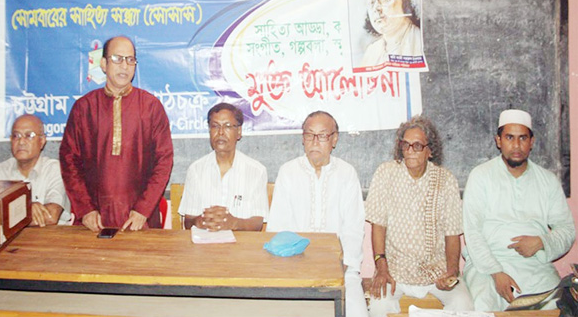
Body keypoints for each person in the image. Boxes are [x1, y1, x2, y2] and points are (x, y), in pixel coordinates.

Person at [463, 109, 575, 311]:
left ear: (531, 142)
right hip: (487, 267)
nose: (516, 146)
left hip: (535, 267)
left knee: (558, 308)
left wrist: (542, 242)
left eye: (523, 138)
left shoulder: (547, 181)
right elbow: (472, 232)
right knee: (483, 305)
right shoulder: (481, 176)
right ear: (499, 141)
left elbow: (567, 230)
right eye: (509, 138)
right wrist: (496, 272)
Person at [60, 35, 173, 232]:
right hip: (94, 222)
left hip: (138, 221)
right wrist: (85, 209)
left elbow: (163, 161)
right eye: (117, 59)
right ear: (103, 64)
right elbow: (69, 161)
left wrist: (143, 210)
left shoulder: (151, 107)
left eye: (130, 60)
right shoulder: (84, 108)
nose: (125, 66)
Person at [364, 116, 473, 317]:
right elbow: (378, 225)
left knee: (463, 304)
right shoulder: (386, 173)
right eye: (405, 145)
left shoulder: (446, 180)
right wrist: (381, 267)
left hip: (435, 273)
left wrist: (451, 271)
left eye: (417, 146)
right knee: (378, 306)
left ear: (430, 150)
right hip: (395, 271)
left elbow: (452, 234)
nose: (410, 151)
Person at [267, 111, 368, 317]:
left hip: (341, 269)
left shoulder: (346, 174)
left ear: (334, 139)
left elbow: (353, 229)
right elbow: (278, 228)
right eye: (309, 135)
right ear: (302, 139)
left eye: (322, 136)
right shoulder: (288, 172)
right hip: (295, 268)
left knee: (356, 313)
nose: (315, 142)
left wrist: (341, 268)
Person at [179, 103, 268, 231]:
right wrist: (201, 221)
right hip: (204, 246)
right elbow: (188, 222)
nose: (220, 132)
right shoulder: (196, 170)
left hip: (241, 247)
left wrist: (233, 223)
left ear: (239, 132)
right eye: (215, 126)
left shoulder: (256, 171)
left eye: (227, 126)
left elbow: (258, 223)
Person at [0, 114, 71, 226]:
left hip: (50, 240)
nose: (21, 142)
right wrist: (26, 209)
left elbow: (51, 216)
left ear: (42, 141)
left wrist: (11, 214)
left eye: (29, 135)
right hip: (10, 242)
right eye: (16, 135)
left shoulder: (55, 169)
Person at [360, 0, 423, 67]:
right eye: (371, 2)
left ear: (404, 0)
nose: (376, 8)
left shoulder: (421, 41)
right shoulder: (371, 52)